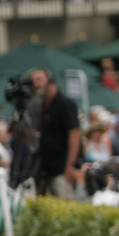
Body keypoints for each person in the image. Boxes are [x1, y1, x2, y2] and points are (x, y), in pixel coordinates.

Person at [31, 68, 80, 199]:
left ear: (50, 80)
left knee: (66, 206)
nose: (36, 84)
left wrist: (70, 165)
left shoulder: (65, 103)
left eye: (39, 79)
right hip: (48, 170)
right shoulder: (43, 106)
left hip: (62, 169)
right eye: (33, 81)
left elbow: (75, 133)